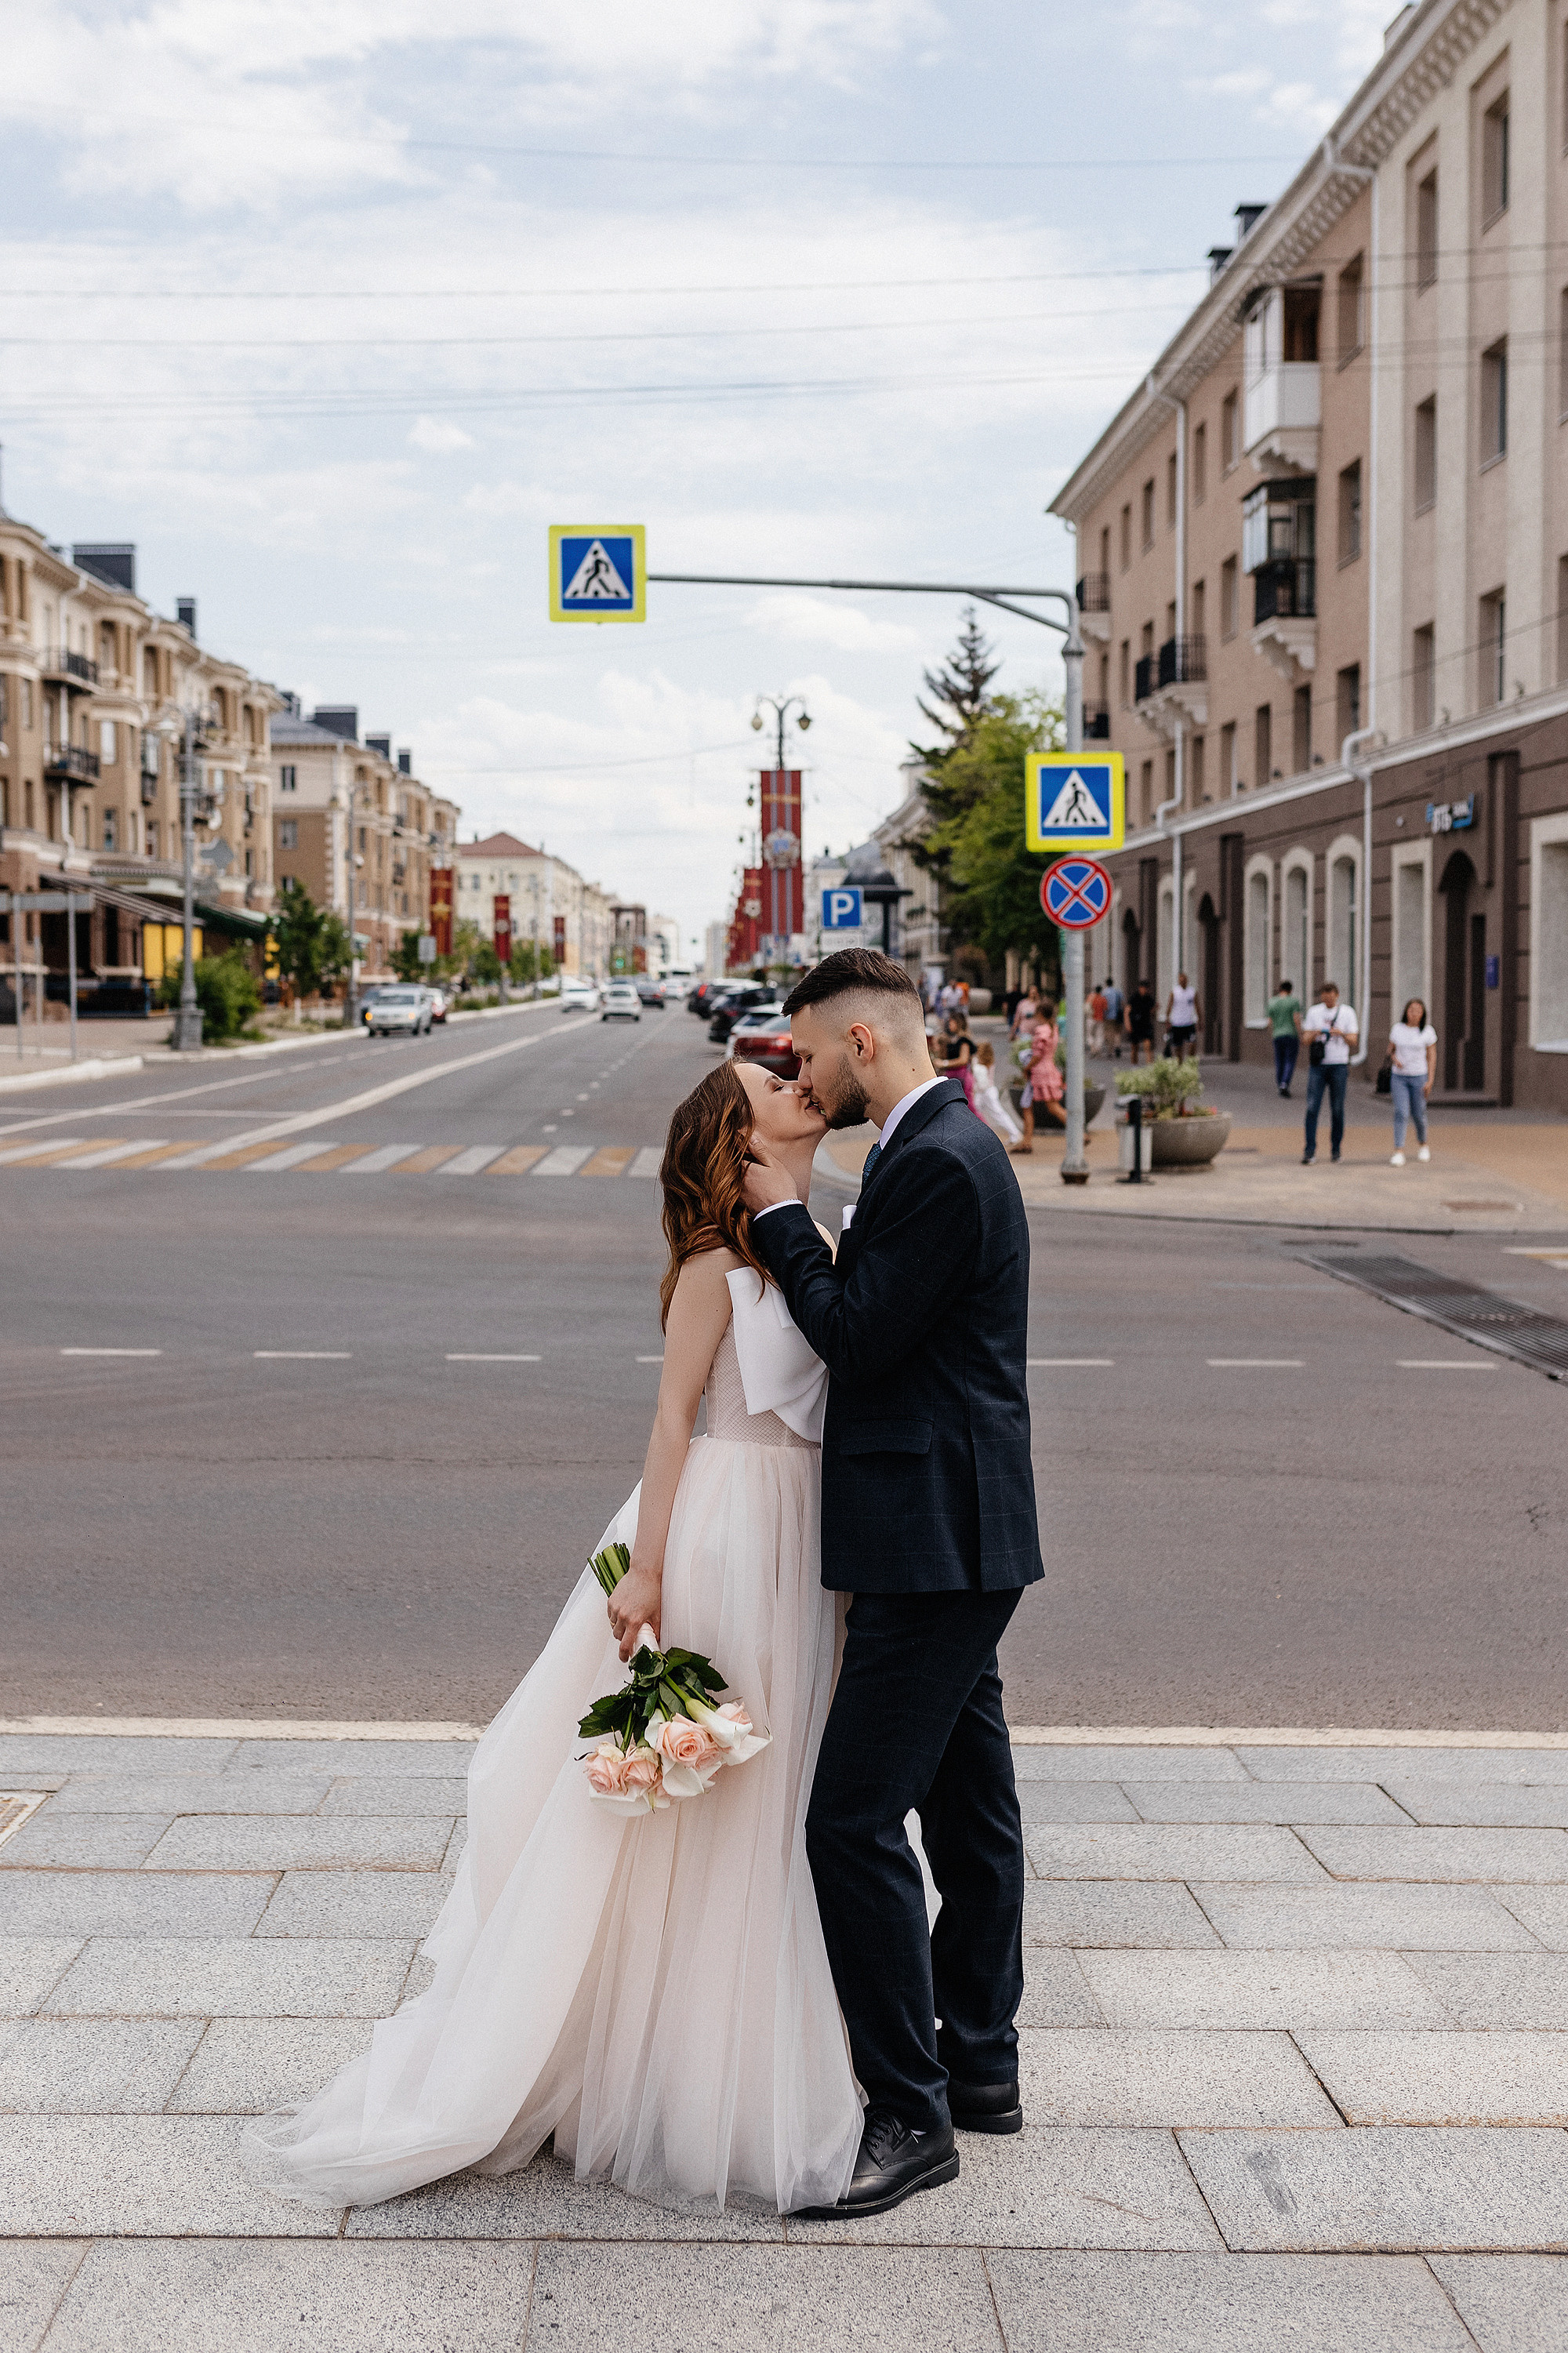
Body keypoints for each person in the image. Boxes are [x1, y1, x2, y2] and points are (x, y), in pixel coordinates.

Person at [245, 1058, 865, 2218]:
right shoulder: (715, 1264)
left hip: (803, 1535)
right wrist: (651, 1569)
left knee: (787, 1787)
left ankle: (756, 2044)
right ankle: (670, 2069)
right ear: (736, 1137)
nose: (798, 1085)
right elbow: (672, 1419)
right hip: (727, 1530)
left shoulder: (816, 1241)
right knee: (710, 1796)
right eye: (771, 1085)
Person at [742, 947, 1042, 2220]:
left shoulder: (937, 1160)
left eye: (810, 1050)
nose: (803, 1072)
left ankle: (909, 2115)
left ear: (862, 1042)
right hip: (955, 1532)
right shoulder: (935, 1143)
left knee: (850, 1822)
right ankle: (980, 2064)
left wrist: (780, 1218)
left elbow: (859, 1335)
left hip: (934, 1540)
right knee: (970, 1816)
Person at [1301, 980, 1359, 1164]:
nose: (1328, 1000)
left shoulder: (1347, 1012)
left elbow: (1354, 1040)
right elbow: (1305, 1039)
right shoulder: (1314, 1012)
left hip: (1339, 1065)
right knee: (1312, 1108)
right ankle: (1310, 1150)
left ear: (1337, 995)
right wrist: (1316, 1032)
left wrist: (1341, 1033)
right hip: (1318, 1066)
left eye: (1331, 997)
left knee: (1337, 1109)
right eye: (1324, 997)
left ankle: (1336, 1149)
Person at [1388, 997, 1437, 1166]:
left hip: (1419, 1076)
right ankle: (1399, 1150)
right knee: (1401, 1112)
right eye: (1411, 1010)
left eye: (1418, 1011)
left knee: (1419, 1113)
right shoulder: (1398, 1029)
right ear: (1406, 1012)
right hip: (1399, 1077)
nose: (1414, 1014)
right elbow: (1390, 1050)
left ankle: (1423, 1144)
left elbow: (1432, 1057)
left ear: (1423, 1014)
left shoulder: (1427, 1031)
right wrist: (1395, 1059)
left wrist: (1430, 1080)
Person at [1011, 1010, 1065, 1153]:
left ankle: (1027, 1142)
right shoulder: (1053, 1028)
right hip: (1049, 1069)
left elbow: (1037, 1055)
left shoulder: (1042, 1030)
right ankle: (1026, 1141)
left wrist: (1027, 1067)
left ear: (1041, 1014)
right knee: (1040, 1105)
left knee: (1041, 1106)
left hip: (1039, 1073)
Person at [971, 1038, 1022, 1143]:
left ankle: (1015, 1133)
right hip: (981, 1092)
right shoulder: (980, 1060)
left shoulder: (986, 1062)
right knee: (974, 1111)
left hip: (988, 1091)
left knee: (998, 1113)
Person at [1267, 978, 1304, 1098]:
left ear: (1280, 989)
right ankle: (1285, 1083)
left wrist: (1273, 1033)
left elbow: (1270, 1022)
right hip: (1291, 1034)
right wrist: (1300, 1034)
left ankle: (1280, 1084)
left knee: (1279, 1060)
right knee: (1290, 1060)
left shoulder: (1272, 1002)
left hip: (1277, 1035)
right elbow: (1296, 1019)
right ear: (1290, 990)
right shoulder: (1293, 1002)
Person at [1164, 971, 1200, 1062]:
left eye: (1184, 980)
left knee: (1192, 1043)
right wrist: (1167, 1019)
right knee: (1178, 1047)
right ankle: (1180, 1065)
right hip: (1177, 1023)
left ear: (1187, 980)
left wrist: (1200, 1020)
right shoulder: (1174, 992)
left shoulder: (1192, 992)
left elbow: (1198, 1007)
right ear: (1178, 981)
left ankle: (1190, 1061)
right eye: (1181, 980)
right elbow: (1169, 1006)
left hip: (1189, 1022)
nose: (1183, 982)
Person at [1125, 977, 1157, 1065]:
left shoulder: (1149, 998)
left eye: (1147, 988)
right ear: (1140, 988)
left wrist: (1155, 1009)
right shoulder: (1134, 997)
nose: (1145, 990)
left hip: (1146, 1024)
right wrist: (1127, 1024)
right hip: (1135, 1024)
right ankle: (1134, 1063)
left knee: (1148, 1044)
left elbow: (1152, 1011)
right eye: (1143, 988)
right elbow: (1127, 1011)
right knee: (1135, 1046)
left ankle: (1149, 1063)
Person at [1102, 977, 1125, 1059]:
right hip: (1118, 1016)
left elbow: (1103, 1005)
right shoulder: (1118, 992)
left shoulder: (1104, 993)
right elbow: (1123, 1003)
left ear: (1106, 983)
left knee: (1109, 1033)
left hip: (1108, 1016)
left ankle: (1110, 1051)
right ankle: (1118, 1046)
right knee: (1117, 1033)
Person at [1087, 982, 1107, 1058]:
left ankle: (1092, 1049)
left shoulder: (1090, 997)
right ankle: (1098, 1049)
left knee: (1090, 1034)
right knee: (1099, 1035)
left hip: (1091, 1018)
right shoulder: (1103, 999)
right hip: (1100, 1019)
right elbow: (1106, 1008)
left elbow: (1087, 1007)